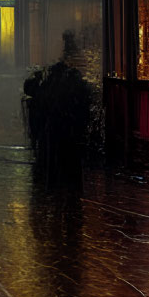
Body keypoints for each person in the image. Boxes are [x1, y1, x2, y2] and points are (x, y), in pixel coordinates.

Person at [34, 31, 94, 188]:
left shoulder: (54, 81)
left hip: (57, 126)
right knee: (70, 158)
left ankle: (57, 184)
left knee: (57, 157)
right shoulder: (74, 80)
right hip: (69, 127)